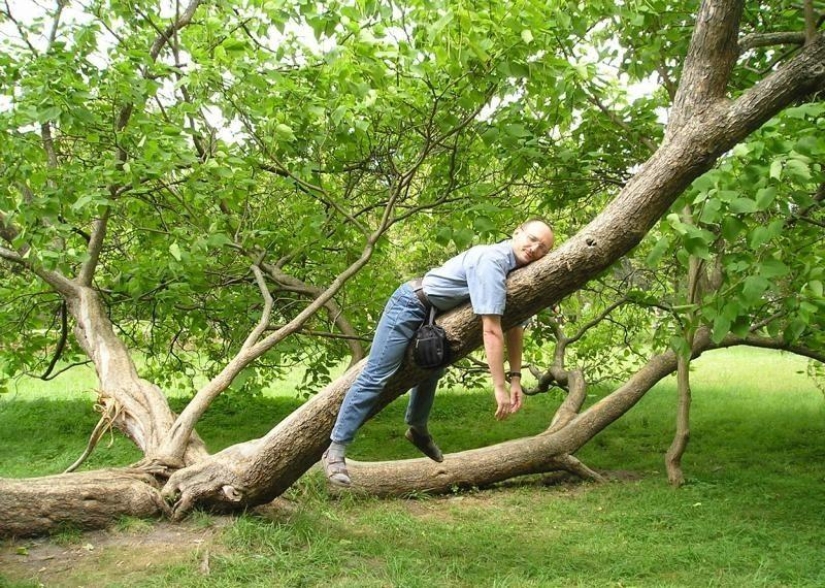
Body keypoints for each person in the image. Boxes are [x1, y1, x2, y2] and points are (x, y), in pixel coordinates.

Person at [322, 219, 555, 487]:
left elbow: (514, 326)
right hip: (410, 304)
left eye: (543, 247)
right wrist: (499, 386)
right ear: (517, 231)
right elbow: (491, 330)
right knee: (377, 375)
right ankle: (335, 450)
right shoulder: (492, 261)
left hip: (436, 314)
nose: (534, 248)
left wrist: (516, 377)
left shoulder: (519, 273)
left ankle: (417, 429)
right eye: (532, 238)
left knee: (432, 367)